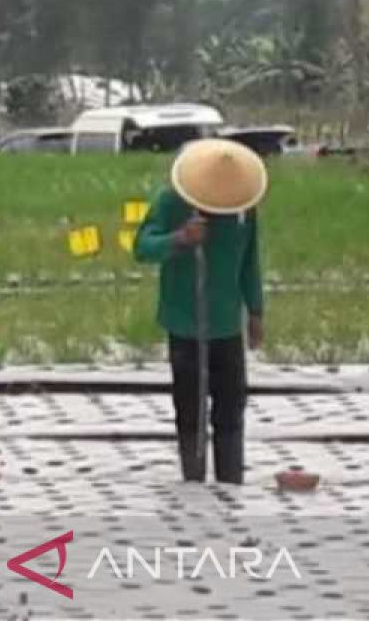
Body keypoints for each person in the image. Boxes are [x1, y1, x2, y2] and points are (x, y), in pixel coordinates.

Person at [134, 138, 268, 485]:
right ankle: (193, 477)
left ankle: (230, 478)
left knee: (231, 406)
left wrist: (255, 310)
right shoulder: (173, 202)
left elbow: (249, 262)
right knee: (191, 407)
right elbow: (143, 247)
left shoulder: (243, 208)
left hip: (226, 324)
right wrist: (179, 239)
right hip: (185, 321)